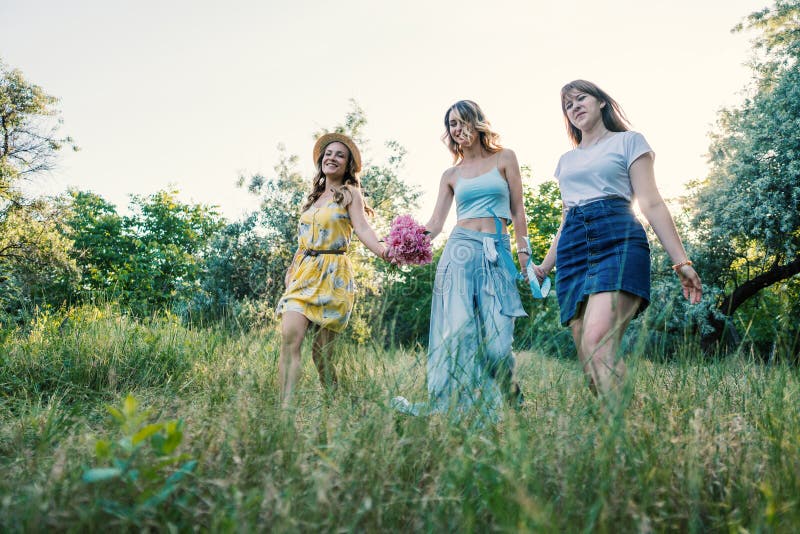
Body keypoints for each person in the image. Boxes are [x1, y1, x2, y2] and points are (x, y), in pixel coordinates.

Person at [533, 80, 703, 397]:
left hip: (617, 237)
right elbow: (567, 216)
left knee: (598, 341)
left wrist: (681, 262)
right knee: (587, 352)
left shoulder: (629, 142)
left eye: (581, 98)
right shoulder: (565, 161)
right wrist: (544, 266)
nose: (575, 107)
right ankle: (613, 434)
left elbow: (651, 203)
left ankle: (629, 436)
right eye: (568, 105)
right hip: (573, 250)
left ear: (601, 102)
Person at [393, 100, 529, 420]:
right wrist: (405, 242)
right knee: (460, 334)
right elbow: (436, 224)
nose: (457, 128)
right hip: (459, 252)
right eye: (452, 124)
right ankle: (458, 407)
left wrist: (524, 256)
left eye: (462, 121)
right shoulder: (451, 175)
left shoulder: (505, 158)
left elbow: (518, 210)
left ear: (477, 122)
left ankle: (511, 395)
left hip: (497, 250)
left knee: (497, 343)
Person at [276, 133, 388, 408]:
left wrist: (385, 251)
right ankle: (285, 410)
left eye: (340, 154)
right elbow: (302, 241)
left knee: (321, 355)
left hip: (334, 275)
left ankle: (334, 403)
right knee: (290, 337)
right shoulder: (313, 198)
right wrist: (292, 271)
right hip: (304, 274)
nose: (332, 158)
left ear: (348, 164)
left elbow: (362, 228)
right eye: (328, 153)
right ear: (321, 160)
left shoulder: (350, 194)